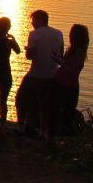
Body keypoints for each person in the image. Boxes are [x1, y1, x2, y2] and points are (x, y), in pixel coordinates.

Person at [15, 10, 64, 138]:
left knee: (20, 99)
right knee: (45, 104)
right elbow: (61, 54)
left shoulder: (34, 34)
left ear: (39, 20)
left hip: (36, 74)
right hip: (52, 75)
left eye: (33, 20)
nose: (32, 23)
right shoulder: (59, 34)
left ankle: (21, 128)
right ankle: (44, 131)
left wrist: (28, 50)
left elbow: (29, 56)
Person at [51, 24, 89, 136]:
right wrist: (58, 57)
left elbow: (73, 70)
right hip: (60, 83)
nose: (69, 35)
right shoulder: (72, 49)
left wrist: (59, 62)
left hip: (68, 86)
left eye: (72, 33)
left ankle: (66, 135)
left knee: (66, 112)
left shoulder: (80, 52)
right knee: (56, 110)